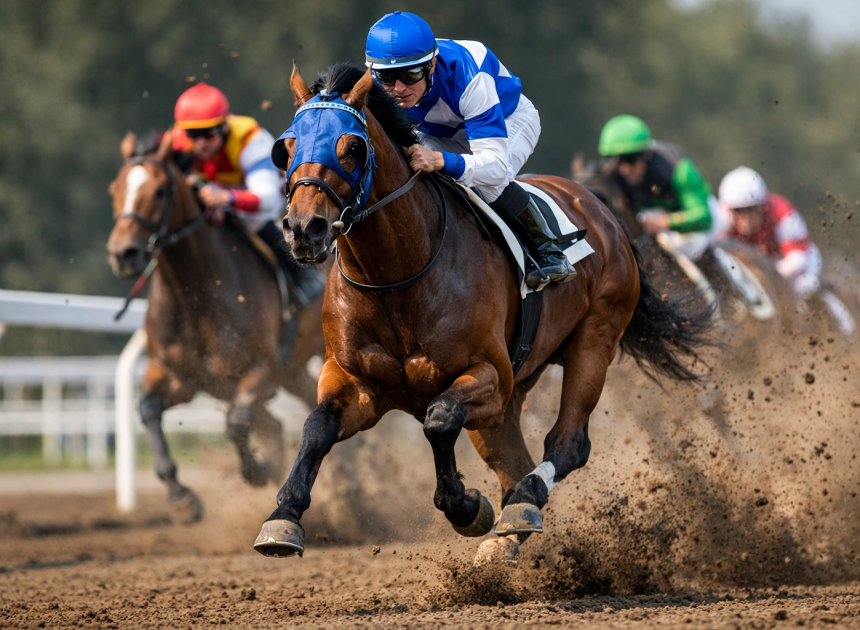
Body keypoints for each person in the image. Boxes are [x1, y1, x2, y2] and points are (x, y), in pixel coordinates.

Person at [365, 11, 575, 289]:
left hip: (508, 120)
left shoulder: (467, 74)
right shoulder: (375, 86)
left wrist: (440, 160)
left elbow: (495, 166)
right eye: (387, 77)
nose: (399, 88)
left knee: (490, 181)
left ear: (431, 65)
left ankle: (548, 250)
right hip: (440, 131)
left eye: (411, 73)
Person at [173, 83, 321, 307]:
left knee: (253, 219)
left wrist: (226, 198)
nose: (200, 143)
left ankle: (305, 276)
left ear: (224, 126)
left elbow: (267, 200)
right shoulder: (178, 140)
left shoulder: (249, 140)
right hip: (219, 195)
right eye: (193, 134)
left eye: (208, 133)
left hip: (270, 203)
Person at [598, 115, 721, 260]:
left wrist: (665, 222)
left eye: (631, 159)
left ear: (647, 155)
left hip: (699, 218)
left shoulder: (680, 169)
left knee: (689, 245)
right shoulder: (614, 175)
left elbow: (704, 218)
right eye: (617, 161)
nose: (625, 169)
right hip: (654, 219)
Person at [718, 166, 822, 301]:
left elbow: (797, 259)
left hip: (793, 263)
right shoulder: (722, 218)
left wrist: (768, 275)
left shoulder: (783, 214)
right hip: (759, 266)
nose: (746, 218)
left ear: (762, 206)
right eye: (739, 211)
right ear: (729, 210)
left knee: (804, 287)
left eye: (751, 209)